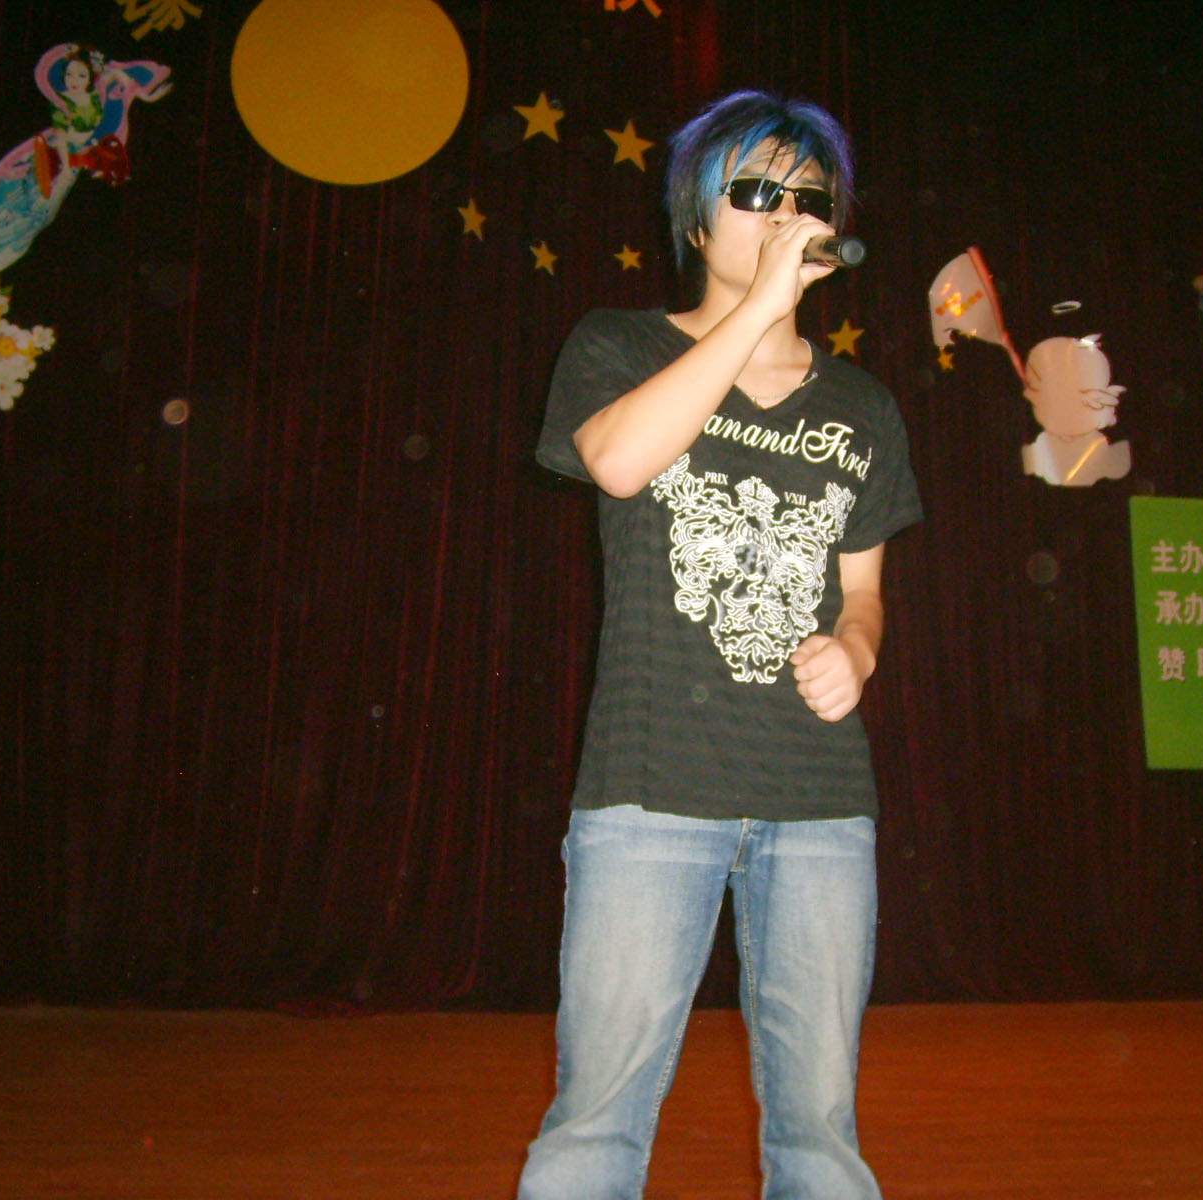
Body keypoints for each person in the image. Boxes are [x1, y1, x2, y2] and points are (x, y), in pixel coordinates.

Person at [520, 89, 922, 1200]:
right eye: (754, 192)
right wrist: (753, 315)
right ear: (697, 222)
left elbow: (864, 592)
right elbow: (616, 461)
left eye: (808, 198)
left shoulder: (864, 406)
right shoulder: (618, 345)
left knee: (820, 1128)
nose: (786, 215)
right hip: (651, 791)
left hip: (818, 798)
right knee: (597, 1121)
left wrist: (858, 650)